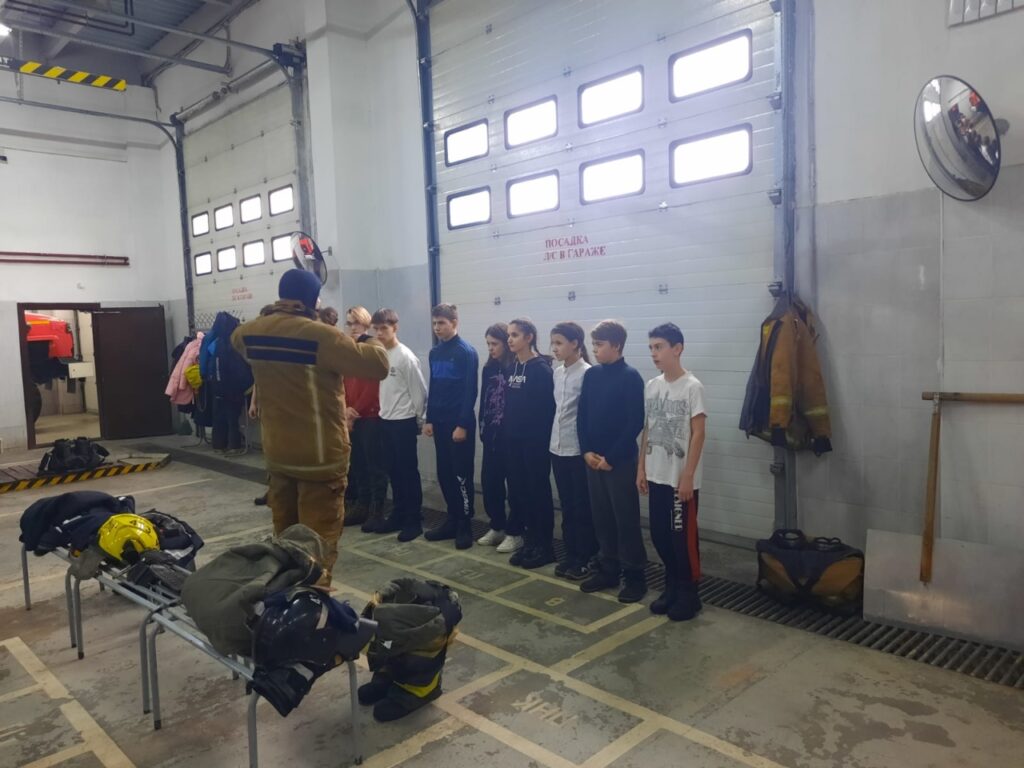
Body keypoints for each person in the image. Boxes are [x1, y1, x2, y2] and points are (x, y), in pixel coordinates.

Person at [231, 270, 388, 583]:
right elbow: (378, 365)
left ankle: (285, 599)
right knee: (317, 548)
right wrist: (368, 336)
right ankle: (313, 604)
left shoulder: (250, 333)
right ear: (312, 299)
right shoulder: (320, 336)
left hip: (278, 456)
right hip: (320, 459)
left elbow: (238, 339)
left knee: (285, 543)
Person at [638, 323, 706, 621]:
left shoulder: (692, 387)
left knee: (682, 540)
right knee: (660, 536)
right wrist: (641, 468)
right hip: (656, 475)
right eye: (651, 348)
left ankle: (689, 593)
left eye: (659, 347)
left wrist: (688, 475)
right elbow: (648, 429)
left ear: (677, 349)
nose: (654, 353)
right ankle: (671, 586)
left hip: (680, 481)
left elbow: (699, 433)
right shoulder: (652, 386)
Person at [577, 319, 647, 603]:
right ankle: (608, 569)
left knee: (625, 519)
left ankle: (635, 576)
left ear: (616, 345)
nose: (594, 349)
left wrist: (611, 457)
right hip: (593, 460)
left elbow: (635, 421)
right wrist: (586, 451)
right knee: (602, 517)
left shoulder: (630, 377)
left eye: (599, 344)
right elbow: (582, 415)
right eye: (593, 344)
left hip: (619, 462)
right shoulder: (592, 375)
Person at [423, 304, 479, 549]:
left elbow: (470, 391)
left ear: (454, 323)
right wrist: (430, 418)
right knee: (444, 473)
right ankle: (452, 519)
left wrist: (462, 424)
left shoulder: (466, 352)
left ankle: (465, 523)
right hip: (440, 423)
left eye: (442, 323)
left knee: (460, 475)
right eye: (435, 323)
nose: (437, 328)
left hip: (458, 425)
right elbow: (434, 387)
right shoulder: (435, 352)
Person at [370, 308, 428, 542]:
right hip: (385, 420)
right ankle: (399, 514)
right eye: (376, 329)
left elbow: (419, 392)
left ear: (395, 327)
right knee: (393, 471)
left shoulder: (405, 357)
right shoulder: (380, 354)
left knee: (407, 472)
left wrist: (420, 420)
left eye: (384, 328)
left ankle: (413, 520)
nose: (379, 333)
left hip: (403, 422)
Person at [502, 318, 556, 568]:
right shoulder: (512, 367)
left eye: (515, 335)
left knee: (538, 493)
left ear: (529, 337)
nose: (510, 339)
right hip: (514, 442)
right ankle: (530, 542)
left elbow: (547, 410)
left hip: (535, 443)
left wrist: (537, 438)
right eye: (509, 335)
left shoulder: (541, 370)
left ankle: (545, 546)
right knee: (520, 493)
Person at [549, 322, 598, 582]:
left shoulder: (588, 374)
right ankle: (571, 554)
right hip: (557, 447)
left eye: (559, 343)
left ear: (575, 344)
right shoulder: (557, 373)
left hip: (578, 450)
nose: (554, 348)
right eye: (553, 343)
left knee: (582, 507)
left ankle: (585, 557)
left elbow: (589, 415)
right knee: (567, 505)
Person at [343, 306, 389, 529]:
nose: (353, 327)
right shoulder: (348, 348)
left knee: (374, 465)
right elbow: (343, 381)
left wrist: (355, 410)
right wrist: (346, 409)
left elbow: (373, 385)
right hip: (352, 415)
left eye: (357, 323)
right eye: (349, 323)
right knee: (358, 463)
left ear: (365, 324)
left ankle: (377, 510)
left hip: (370, 415)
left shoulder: (372, 347)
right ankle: (362, 506)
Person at [477, 323, 521, 551]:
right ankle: (497, 526)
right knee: (490, 483)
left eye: (495, 344)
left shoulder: (517, 368)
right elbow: (484, 399)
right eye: (488, 344)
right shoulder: (489, 368)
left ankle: (515, 532)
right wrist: (483, 429)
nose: (491, 348)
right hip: (492, 437)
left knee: (515, 487)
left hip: (511, 439)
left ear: (506, 343)